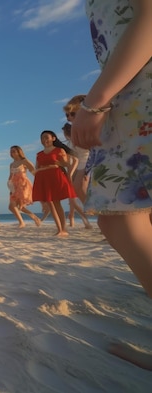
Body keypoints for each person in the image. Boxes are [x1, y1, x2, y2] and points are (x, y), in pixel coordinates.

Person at [71, 0, 152, 370]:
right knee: (121, 218)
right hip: (132, 90)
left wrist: (95, 103)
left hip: (139, 93)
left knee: (120, 218)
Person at [32, 130, 77, 237]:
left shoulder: (59, 150)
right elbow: (37, 168)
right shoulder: (39, 154)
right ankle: (59, 229)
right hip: (43, 178)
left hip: (55, 176)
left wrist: (59, 163)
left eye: (46, 137)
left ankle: (63, 229)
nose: (44, 140)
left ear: (53, 138)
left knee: (56, 203)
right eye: (42, 138)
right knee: (49, 203)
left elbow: (66, 164)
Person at [61, 123, 93, 229]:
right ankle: (79, 219)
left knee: (74, 197)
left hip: (81, 167)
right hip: (78, 167)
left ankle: (85, 216)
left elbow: (73, 159)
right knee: (72, 198)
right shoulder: (71, 142)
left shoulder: (73, 143)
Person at [8, 146, 41, 227]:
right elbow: (10, 176)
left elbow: (33, 171)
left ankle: (22, 222)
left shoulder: (24, 161)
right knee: (14, 206)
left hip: (23, 185)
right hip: (14, 186)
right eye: (11, 151)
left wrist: (40, 182)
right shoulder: (11, 164)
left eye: (14, 151)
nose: (12, 153)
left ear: (19, 152)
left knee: (16, 206)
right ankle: (33, 218)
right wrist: (10, 186)